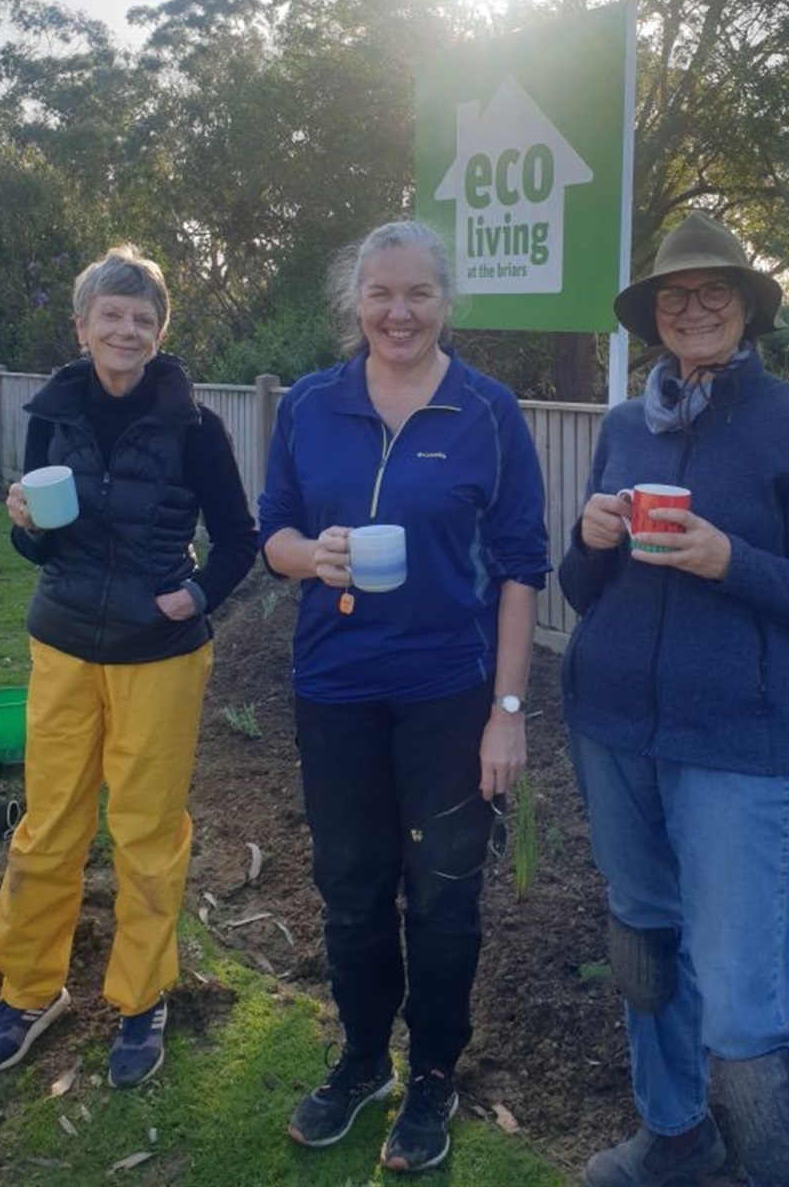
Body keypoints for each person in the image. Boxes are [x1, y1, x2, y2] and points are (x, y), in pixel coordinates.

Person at [559, 211, 789, 1187]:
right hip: (614, 733)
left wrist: (728, 559)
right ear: (655, 314)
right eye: (674, 295)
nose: (692, 308)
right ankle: (675, 1136)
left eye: (713, 293)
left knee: (744, 1008)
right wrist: (591, 536)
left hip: (736, 750)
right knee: (647, 950)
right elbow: (579, 591)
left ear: (745, 309)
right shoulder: (622, 425)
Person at [259, 219, 549, 1174]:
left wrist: (506, 714)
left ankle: (432, 1075)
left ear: (446, 303)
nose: (399, 311)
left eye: (418, 292)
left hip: (446, 694)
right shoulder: (308, 405)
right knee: (349, 890)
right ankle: (361, 1062)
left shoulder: (488, 412)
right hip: (334, 687)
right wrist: (314, 553)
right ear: (355, 304)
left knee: (444, 894)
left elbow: (519, 568)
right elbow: (274, 536)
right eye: (380, 293)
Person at [0, 245, 259, 1088]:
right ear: (82, 325)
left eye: (143, 318)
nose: (126, 330)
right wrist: (22, 524)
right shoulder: (50, 414)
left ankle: (141, 1000)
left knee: (146, 834)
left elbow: (239, 539)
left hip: (159, 658)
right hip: (61, 646)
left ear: (161, 331)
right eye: (112, 315)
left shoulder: (197, 429)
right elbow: (39, 543)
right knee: (48, 824)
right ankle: (28, 991)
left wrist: (197, 595)